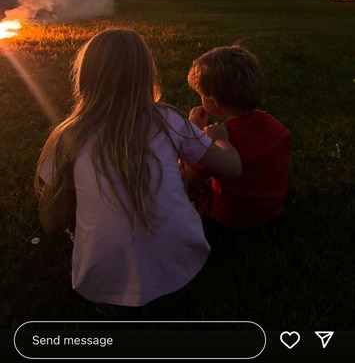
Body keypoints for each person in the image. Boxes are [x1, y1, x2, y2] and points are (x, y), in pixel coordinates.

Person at [34, 28, 241, 319]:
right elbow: (231, 167)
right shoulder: (168, 119)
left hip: (105, 294)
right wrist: (224, 140)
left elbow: (51, 222)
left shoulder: (68, 136)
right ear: (146, 74)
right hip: (183, 275)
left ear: (85, 76)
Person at [184, 45, 290, 230]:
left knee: (180, 188)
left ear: (214, 102)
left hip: (234, 216)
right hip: (271, 208)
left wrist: (193, 131)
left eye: (201, 95)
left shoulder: (220, 140)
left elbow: (186, 176)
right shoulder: (275, 126)